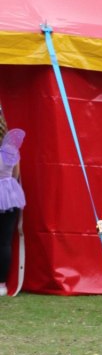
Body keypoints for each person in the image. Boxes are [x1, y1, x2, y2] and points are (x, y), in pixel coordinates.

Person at [0, 107, 27, 297]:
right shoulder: (11, 148)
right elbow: (16, 174)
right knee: (4, 242)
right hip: (10, 196)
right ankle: (1, 284)